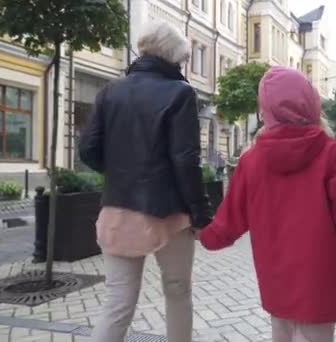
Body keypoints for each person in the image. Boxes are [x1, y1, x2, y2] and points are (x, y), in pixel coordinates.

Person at [197, 67, 336, 342]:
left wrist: (199, 232)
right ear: (311, 102)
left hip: (276, 283)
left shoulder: (251, 161)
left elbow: (227, 222)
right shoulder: (334, 156)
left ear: (265, 110)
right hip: (320, 285)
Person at [80, 22, 211, 342]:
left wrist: (121, 173)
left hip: (119, 209)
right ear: (173, 58)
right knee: (178, 293)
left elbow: (87, 149)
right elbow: (185, 160)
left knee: (118, 303)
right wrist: (200, 212)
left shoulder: (111, 90)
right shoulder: (180, 92)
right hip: (170, 214)